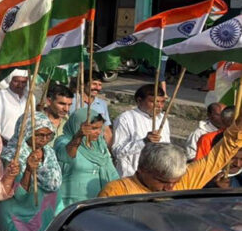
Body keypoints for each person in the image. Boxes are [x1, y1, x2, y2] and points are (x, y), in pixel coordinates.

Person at [99, 111, 242, 197]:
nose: (169, 188)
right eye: (163, 181)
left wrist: (239, 127)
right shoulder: (117, 191)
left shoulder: (185, 179)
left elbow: (220, 153)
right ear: (142, 170)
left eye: (175, 182)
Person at [55, 108, 119, 208]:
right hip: (72, 206)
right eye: (93, 128)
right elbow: (66, 157)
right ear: (78, 126)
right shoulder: (63, 141)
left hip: (97, 203)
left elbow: (111, 171)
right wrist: (78, 136)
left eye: (100, 128)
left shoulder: (99, 144)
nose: (98, 132)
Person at [111, 85, 170, 178]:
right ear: (139, 101)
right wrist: (143, 142)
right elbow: (117, 152)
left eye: (162, 102)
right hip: (131, 175)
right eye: (153, 102)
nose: (159, 106)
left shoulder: (163, 119)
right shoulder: (125, 119)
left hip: (157, 177)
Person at [70, 71, 113, 145]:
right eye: (94, 84)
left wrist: (110, 149)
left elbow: (106, 129)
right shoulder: (72, 101)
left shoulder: (102, 104)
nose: (97, 88)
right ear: (83, 85)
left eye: (100, 85)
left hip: (96, 146)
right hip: (75, 143)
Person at [0, 70, 29, 144]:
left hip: (25, 144)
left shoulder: (30, 98)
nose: (20, 85)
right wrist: (2, 141)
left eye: (23, 82)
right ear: (10, 80)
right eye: (16, 81)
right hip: (4, 143)